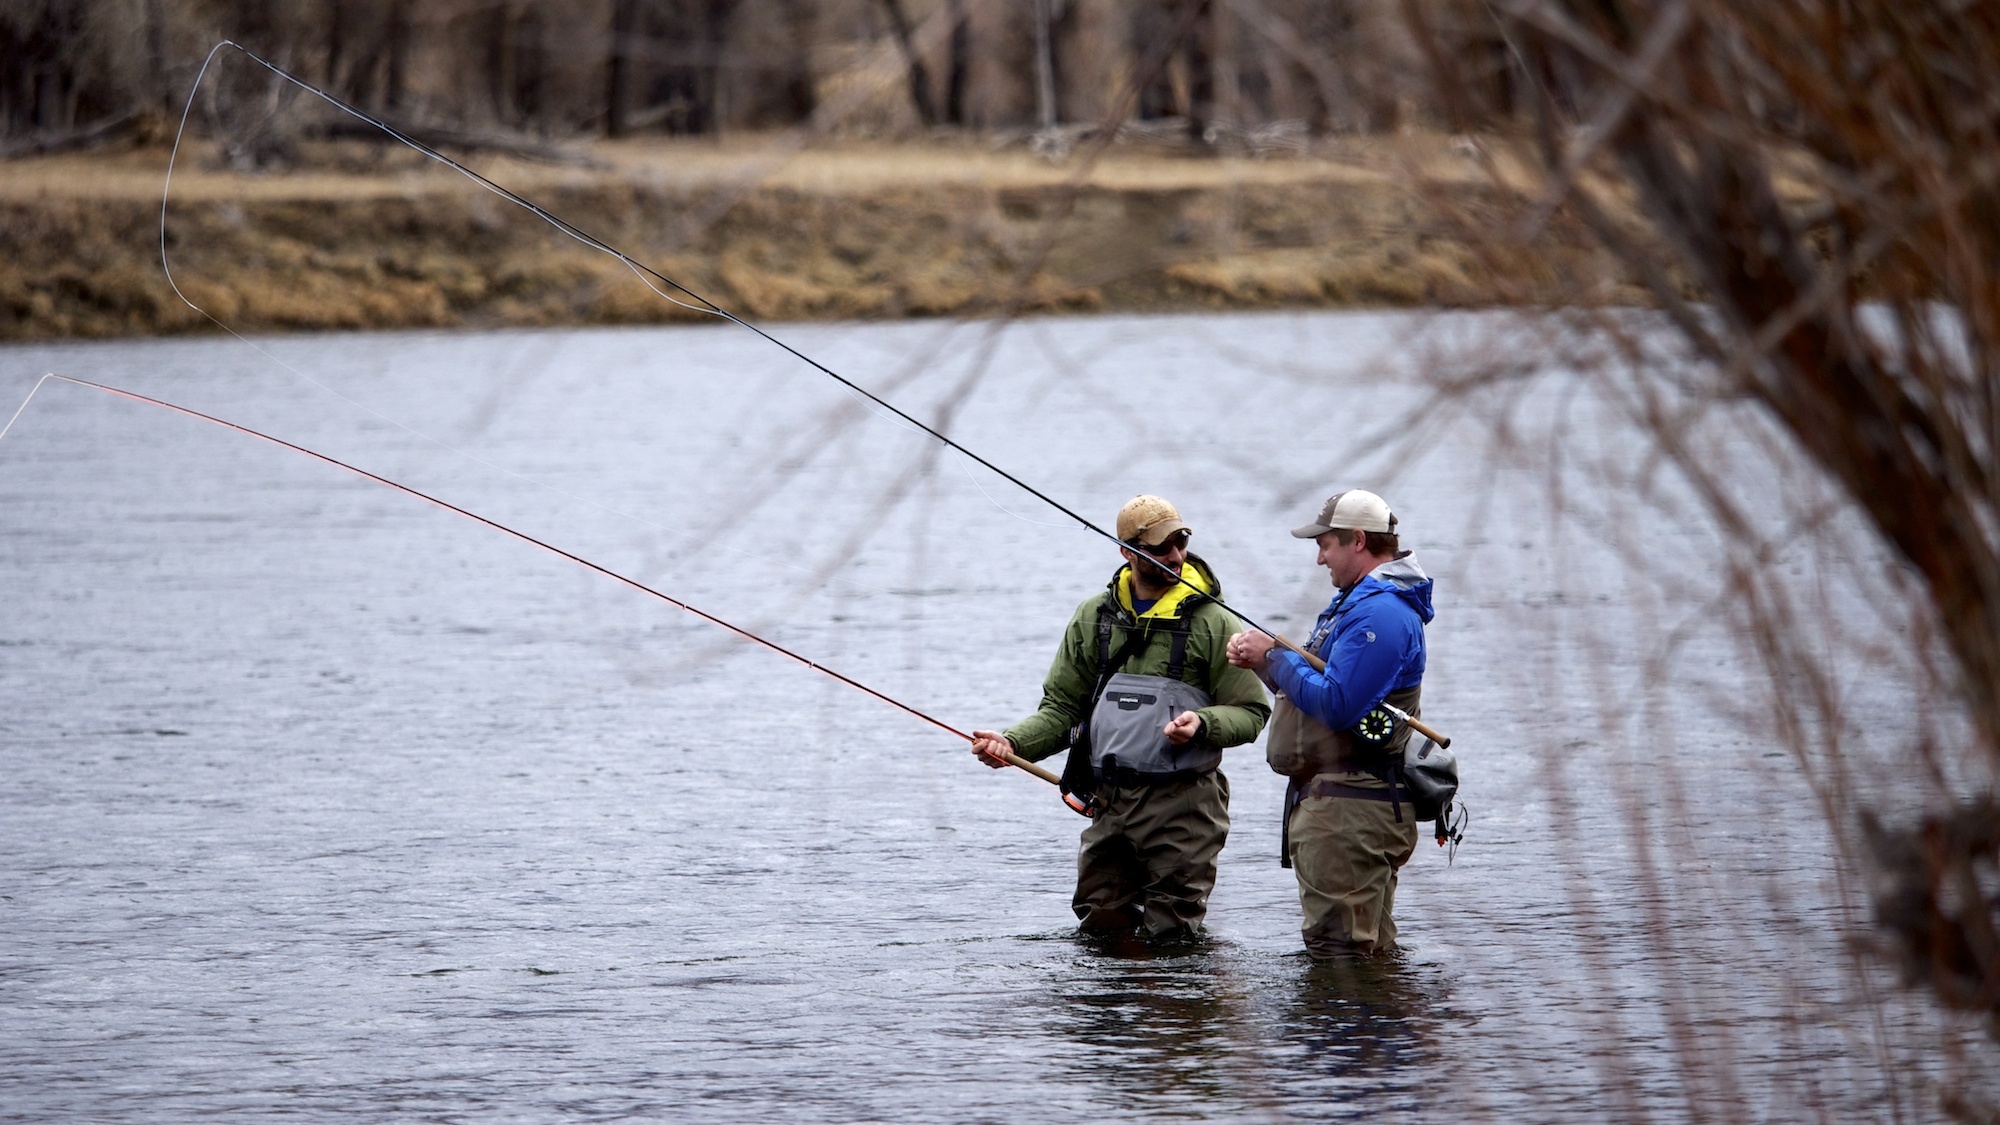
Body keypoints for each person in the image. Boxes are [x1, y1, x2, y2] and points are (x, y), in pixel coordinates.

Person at [971, 495, 1271, 939]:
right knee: (1101, 927)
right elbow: (1063, 711)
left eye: (1180, 542)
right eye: (1159, 548)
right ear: (1127, 552)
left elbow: (1251, 711)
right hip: (1108, 804)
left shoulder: (1215, 621)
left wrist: (1203, 724)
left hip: (1184, 805)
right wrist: (1012, 745)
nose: (1174, 555)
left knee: (1173, 936)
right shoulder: (1093, 617)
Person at [1226, 489, 1434, 957]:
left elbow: (1339, 704)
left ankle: (1347, 1031)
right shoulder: (1359, 604)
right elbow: (1316, 692)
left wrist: (1276, 657)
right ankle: (1374, 1024)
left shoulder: (1379, 611)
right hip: (1342, 805)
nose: (1320, 559)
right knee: (1364, 951)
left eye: (1326, 545)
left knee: (1339, 954)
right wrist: (1263, 664)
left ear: (1357, 540)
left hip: (1350, 812)